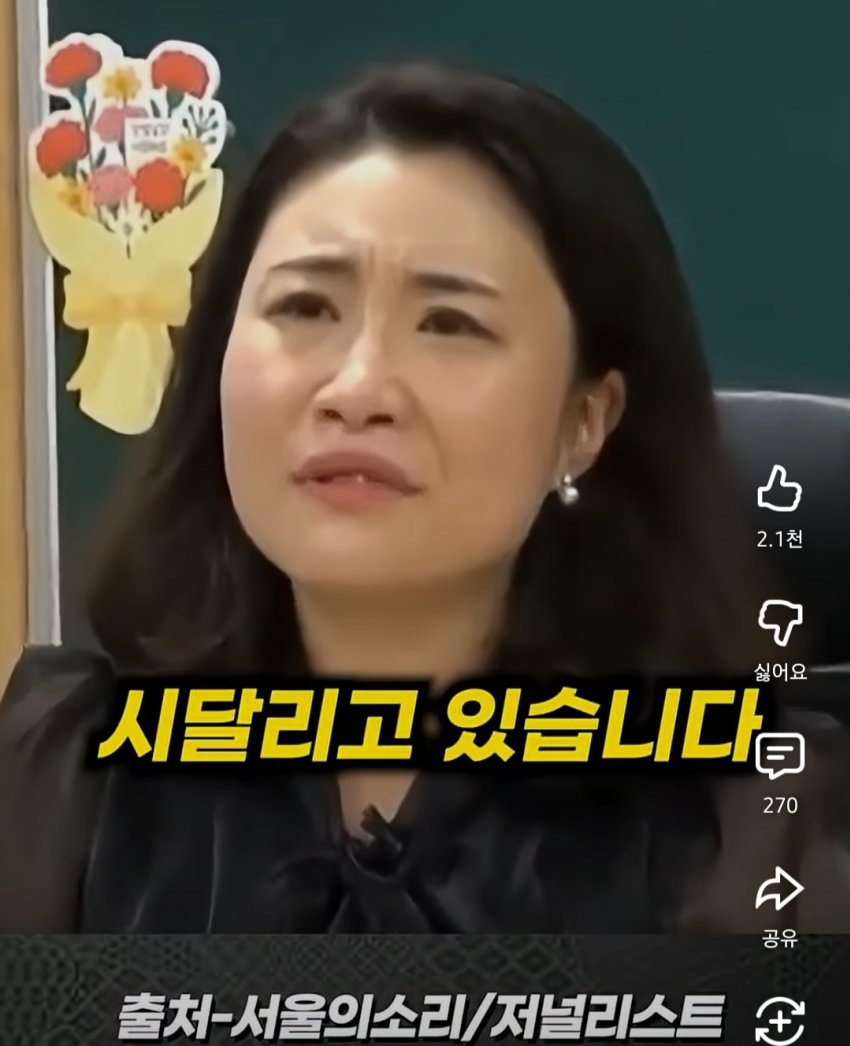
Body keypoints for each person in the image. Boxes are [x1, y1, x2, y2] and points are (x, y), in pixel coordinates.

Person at [1, 60, 848, 933]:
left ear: (584, 422)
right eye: (303, 307)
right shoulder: (64, 781)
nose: (356, 388)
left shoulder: (750, 825)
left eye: (450, 323)